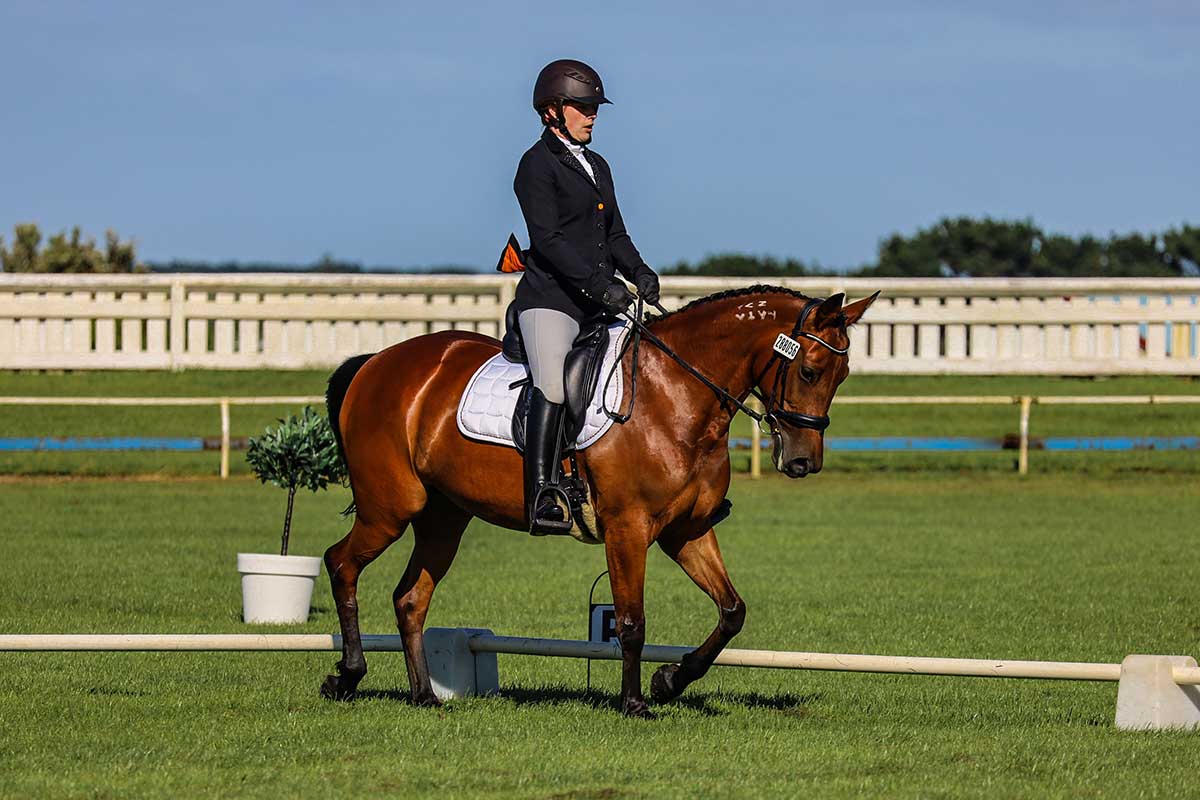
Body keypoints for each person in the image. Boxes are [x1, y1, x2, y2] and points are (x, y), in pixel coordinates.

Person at [512, 58, 660, 535]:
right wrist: (601, 285)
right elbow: (550, 240)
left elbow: (614, 234)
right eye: (583, 106)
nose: (593, 114)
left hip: (599, 302)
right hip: (550, 300)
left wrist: (639, 271)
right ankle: (542, 493)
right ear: (553, 111)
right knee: (552, 384)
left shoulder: (597, 165)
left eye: (594, 106)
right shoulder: (535, 166)